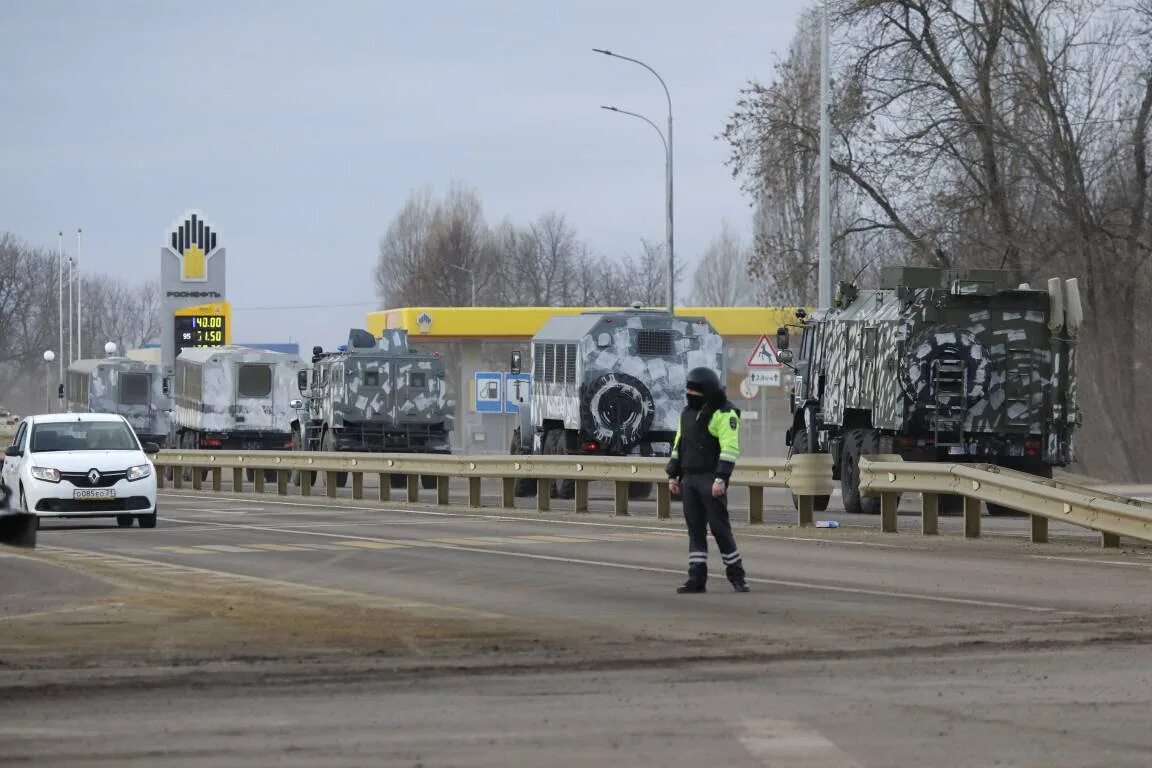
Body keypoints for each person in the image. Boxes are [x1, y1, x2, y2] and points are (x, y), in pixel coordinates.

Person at [666, 367, 749, 593]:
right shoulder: (687, 413)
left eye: (695, 390)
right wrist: (673, 474)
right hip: (689, 479)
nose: (690, 394)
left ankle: (737, 576)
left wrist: (721, 478)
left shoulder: (723, 413)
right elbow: (679, 445)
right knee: (695, 531)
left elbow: (730, 448)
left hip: (711, 478)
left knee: (720, 529)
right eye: (688, 389)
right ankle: (696, 578)